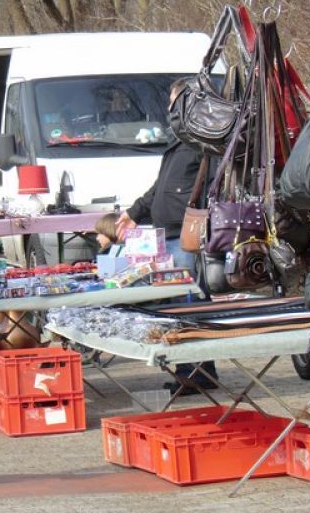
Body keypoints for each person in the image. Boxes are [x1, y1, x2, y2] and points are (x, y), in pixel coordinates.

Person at [115, 78, 217, 395]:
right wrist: (134, 212)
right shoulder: (179, 141)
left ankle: (197, 373)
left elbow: (212, 186)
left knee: (189, 303)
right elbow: (159, 187)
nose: (170, 107)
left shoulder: (204, 140)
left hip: (187, 234)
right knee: (179, 304)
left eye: (175, 101)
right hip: (170, 234)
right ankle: (194, 370)